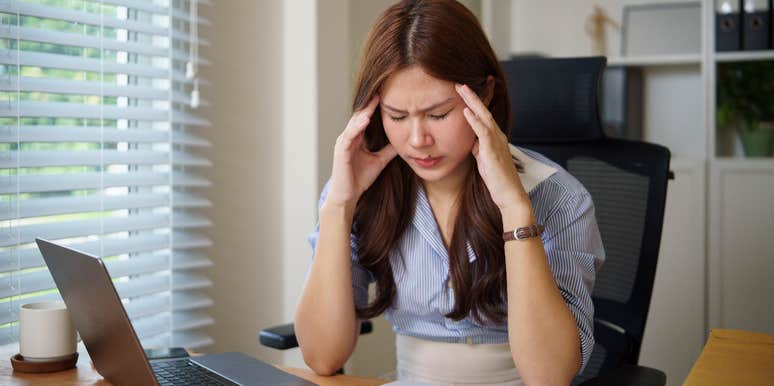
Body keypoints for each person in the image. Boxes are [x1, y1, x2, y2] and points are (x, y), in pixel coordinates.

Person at [294, 1, 605, 385]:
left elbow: (550, 376)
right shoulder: (360, 191)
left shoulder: (557, 197)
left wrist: (514, 209)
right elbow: (323, 357)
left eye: (438, 114)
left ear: (485, 94)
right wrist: (339, 207)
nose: (417, 140)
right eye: (396, 116)